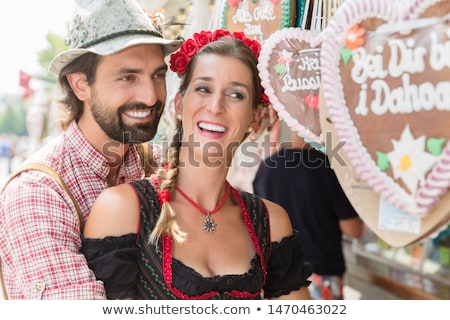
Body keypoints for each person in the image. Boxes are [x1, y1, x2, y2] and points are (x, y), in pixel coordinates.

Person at [81, 29, 313, 300]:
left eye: (236, 94)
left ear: (255, 117)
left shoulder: (270, 222)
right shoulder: (122, 208)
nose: (215, 106)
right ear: (179, 104)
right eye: (203, 89)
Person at [0, 0, 182, 299]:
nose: (150, 96)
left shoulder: (160, 167)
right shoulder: (38, 193)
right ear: (80, 85)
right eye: (128, 77)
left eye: (158, 75)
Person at [253, 131, 364, 299]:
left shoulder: (266, 168)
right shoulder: (330, 168)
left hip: (279, 279)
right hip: (322, 276)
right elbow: (353, 230)